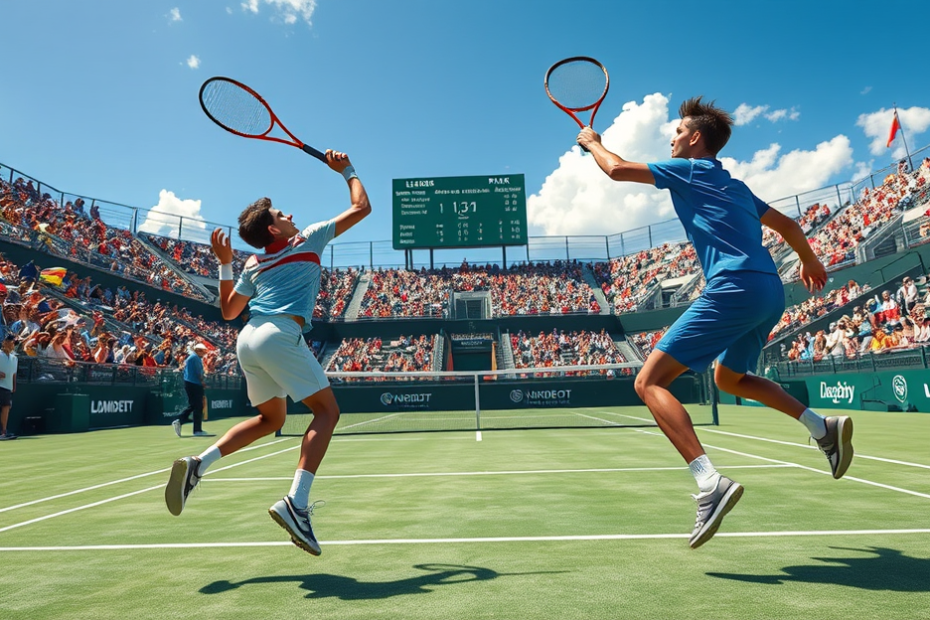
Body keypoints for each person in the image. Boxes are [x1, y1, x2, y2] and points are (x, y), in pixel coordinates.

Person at [577, 96, 854, 549]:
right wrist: (809, 261)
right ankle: (822, 427)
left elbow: (617, 169)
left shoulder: (689, 170)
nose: (672, 137)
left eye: (678, 131)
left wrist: (593, 143)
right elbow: (789, 226)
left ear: (696, 138)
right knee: (731, 378)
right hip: (769, 289)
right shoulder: (738, 186)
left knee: (648, 383)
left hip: (734, 286)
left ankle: (710, 483)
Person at [164, 149, 371, 556]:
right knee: (327, 412)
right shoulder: (309, 238)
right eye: (279, 213)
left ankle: (198, 465)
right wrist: (345, 169)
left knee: (270, 418)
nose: (287, 213)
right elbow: (361, 206)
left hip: (248, 340)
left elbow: (228, 312)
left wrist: (225, 264)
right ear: (276, 231)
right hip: (279, 334)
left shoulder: (253, 263)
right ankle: (296, 503)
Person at [171, 343, 210, 437]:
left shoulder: (192, 357)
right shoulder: (195, 358)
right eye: (203, 351)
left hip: (190, 383)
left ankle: (183, 422)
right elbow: (198, 373)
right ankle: (194, 429)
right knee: (197, 406)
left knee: (195, 405)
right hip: (194, 384)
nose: (204, 353)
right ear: (198, 350)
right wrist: (203, 383)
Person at [0, 334, 18, 440]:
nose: (13, 345)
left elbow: (14, 374)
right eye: (11, 342)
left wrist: (13, 386)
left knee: (6, 408)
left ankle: (3, 432)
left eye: (14, 343)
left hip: (7, 387)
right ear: (5, 342)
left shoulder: (14, 358)